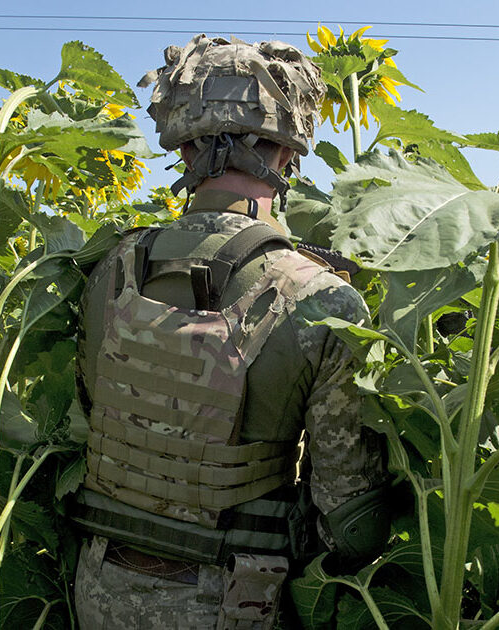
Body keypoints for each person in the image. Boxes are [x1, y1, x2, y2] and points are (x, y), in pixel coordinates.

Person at [70, 35, 391, 629]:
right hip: (237, 599)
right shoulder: (322, 299)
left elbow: (97, 417)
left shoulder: (109, 271)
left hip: (99, 586)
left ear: (183, 146)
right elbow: (350, 520)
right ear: (288, 150)